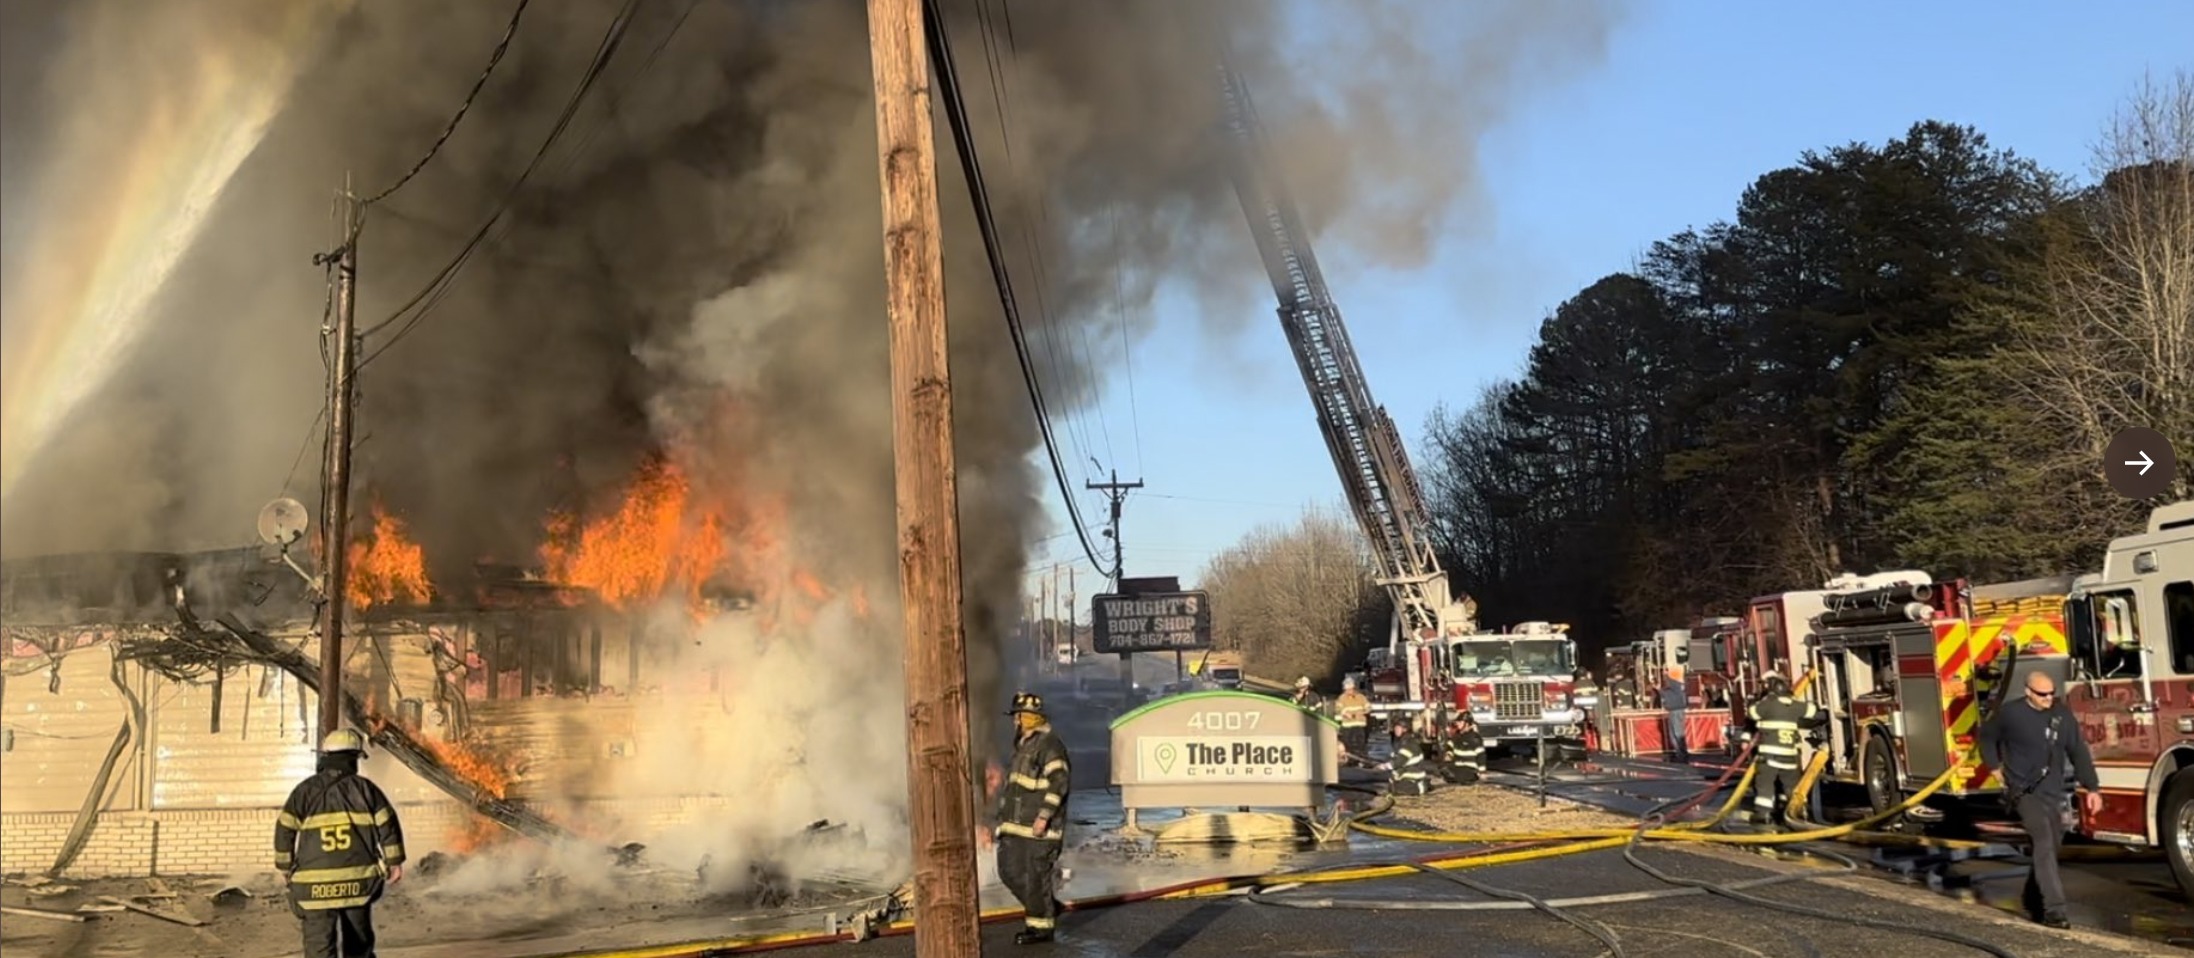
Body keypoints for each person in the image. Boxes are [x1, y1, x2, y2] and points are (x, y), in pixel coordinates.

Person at [1979, 670, 2100, 929]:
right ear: (2028, 692)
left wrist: (2092, 788)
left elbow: (2078, 750)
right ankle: (2055, 910)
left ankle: (2032, 896)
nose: (2048, 698)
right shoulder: (2010, 714)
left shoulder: (2062, 716)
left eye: (2051, 693)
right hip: (2023, 792)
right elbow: (1987, 736)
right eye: (2042, 694)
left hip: (2052, 792)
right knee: (2043, 842)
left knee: (2051, 847)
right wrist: (1993, 767)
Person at [275, 729, 406, 958]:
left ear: (325, 756)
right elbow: (388, 826)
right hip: (357, 884)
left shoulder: (304, 791)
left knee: (319, 949)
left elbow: (284, 830)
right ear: (354, 757)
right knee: (358, 947)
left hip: (314, 887)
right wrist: (394, 862)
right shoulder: (366, 790)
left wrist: (285, 868)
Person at [994, 691, 1071, 945]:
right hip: (1016, 827)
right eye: (1019, 716)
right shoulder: (1022, 746)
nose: (1019, 721)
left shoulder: (1049, 745)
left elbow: (1059, 783)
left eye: (1026, 717)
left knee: (1036, 878)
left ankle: (1041, 929)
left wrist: (1044, 817)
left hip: (1040, 829)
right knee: (1008, 871)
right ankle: (1047, 907)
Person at [1743, 674, 1826, 830]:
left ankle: (1763, 814)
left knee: (1764, 784)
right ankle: (1797, 811)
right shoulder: (1795, 706)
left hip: (1769, 756)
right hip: (1790, 756)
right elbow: (1815, 712)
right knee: (1791, 786)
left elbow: (1752, 713)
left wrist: (1758, 700)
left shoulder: (1768, 705)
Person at [1382, 713, 1435, 796]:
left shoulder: (1408, 744)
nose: (1395, 730)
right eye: (1395, 727)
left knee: (1396, 789)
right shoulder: (1402, 742)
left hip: (1414, 777)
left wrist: (1383, 766)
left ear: (1405, 729)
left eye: (1398, 728)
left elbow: (1398, 762)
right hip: (1406, 774)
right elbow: (1395, 758)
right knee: (1391, 786)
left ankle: (1422, 786)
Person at [1439, 712, 1486, 785]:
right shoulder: (1457, 736)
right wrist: (1449, 754)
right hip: (1458, 766)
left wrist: (1482, 772)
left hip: (1470, 769)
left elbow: (1481, 756)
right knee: (1443, 768)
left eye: (1460, 722)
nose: (1457, 724)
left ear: (1466, 724)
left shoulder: (1475, 738)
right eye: (1457, 722)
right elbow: (1450, 746)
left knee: (1459, 776)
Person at [1334, 677, 1372, 761]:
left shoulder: (1361, 697)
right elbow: (1338, 709)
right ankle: (1350, 759)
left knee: (1360, 744)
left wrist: (1362, 712)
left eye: (1349, 689)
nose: (1348, 691)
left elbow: (1368, 707)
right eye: (1346, 690)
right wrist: (1345, 713)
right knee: (1347, 744)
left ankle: (1361, 759)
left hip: (1359, 725)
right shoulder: (1342, 698)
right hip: (1347, 725)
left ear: (1353, 688)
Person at [1662, 667, 1690, 765]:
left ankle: (1682, 755)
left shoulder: (1676, 684)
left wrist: (1666, 675)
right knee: (1674, 734)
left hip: (1676, 710)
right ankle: (1680, 754)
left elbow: (1670, 691)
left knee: (1677, 733)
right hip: (1674, 710)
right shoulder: (1678, 686)